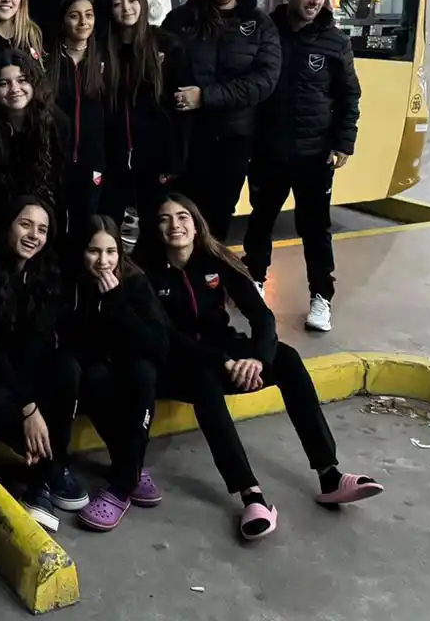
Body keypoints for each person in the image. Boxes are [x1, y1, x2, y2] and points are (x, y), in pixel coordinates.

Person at [143, 194, 383, 541]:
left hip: (227, 351)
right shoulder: (145, 272)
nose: (175, 225)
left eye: (183, 217)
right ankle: (250, 495)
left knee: (286, 358)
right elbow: (166, 334)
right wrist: (223, 361)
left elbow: (261, 316)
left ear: (196, 226)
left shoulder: (217, 259)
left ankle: (329, 475)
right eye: (164, 219)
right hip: (179, 362)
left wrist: (257, 358)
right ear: (155, 228)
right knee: (204, 383)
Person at [242, 0, 361, 334]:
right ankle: (254, 283)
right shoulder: (266, 32)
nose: (315, 1)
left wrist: (344, 142)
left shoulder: (335, 41)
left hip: (315, 156)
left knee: (315, 228)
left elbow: (349, 96)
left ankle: (321, 298)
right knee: (260, 222)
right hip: (269, 152)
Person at [0, 197, 88, 533]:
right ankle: (48, 474)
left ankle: (43, 478)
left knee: (67, 369)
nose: (34, 235)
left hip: (25, 373)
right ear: (8, 225)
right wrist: (29, 409)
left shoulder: (47, 275)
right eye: (26, 224)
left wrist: (33, 407)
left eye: (43, 229)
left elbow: (36, 346)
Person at [161, 0, 280, 241]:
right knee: (180, 215)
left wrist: (205, 96)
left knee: (218, 216)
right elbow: (157, 70)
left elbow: (264, 81)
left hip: (234, 140)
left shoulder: (260, 24)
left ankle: (210, 279)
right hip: (186, 138)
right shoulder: (180, 20)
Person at [64, 216, 169, 531]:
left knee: (142, 375)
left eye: (111, 252)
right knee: (93, 376)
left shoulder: (135, 282)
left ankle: (122, 486)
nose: (104, 261)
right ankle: (130, 468)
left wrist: (115, 302)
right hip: (95, 365)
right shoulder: (73, 284)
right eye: (94, 252)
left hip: (134, 363)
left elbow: (155, 344)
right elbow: (73, 339)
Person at [100, 0, 188, 235]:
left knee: (154, 226)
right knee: (111, 225)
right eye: (117, 3)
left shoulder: (168, 45)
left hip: (156, 156)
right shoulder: (104, 49)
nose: (126, 8)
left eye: (131, 0)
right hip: (114, 157)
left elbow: (183, 108)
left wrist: (175, 160)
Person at [0, 49, 67, 253]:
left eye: (22, 80)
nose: (15, 89)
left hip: (43, 222)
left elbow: (63, 182)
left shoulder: (57, 123)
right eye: (4, 83)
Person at [45, 0, 107, 238]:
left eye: (89, 14)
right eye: (74, 15)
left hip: (93, 159)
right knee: (53, 224)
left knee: (87, 226)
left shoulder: (105, 58)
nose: (83, 22)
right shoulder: (48, 60)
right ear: (62, 21)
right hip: (54, 159)